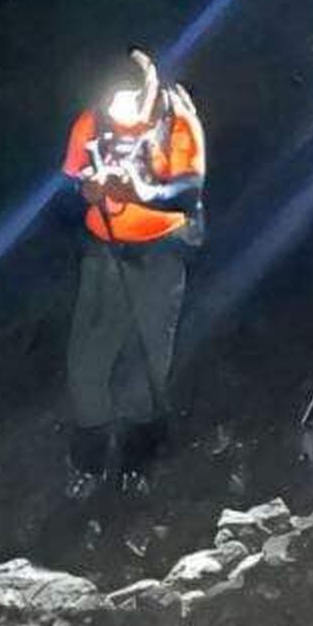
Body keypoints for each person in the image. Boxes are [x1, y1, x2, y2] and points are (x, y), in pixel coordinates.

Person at [61, 46, 205, 496]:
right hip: (103, 248)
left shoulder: (176, 120)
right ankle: (89, 459)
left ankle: (138, 463)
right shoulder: (92, 122)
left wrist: (137, 189)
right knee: (86, 360)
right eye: (111, 99)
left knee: (148, 360)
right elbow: (69, 178)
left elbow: (188, 191)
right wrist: (83, 190)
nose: (119, 110)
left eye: (128, 99)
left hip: (160, 250)